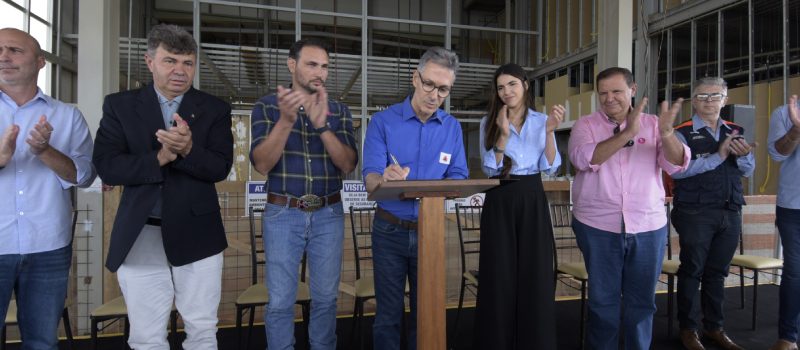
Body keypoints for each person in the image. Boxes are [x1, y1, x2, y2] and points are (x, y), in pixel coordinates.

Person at [93, 24, 233, 350]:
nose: (180, 71)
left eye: (188, 63)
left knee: (202, 328)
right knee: (145, 335)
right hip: (140, 232)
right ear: (150, 61)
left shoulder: (214, 109)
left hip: (199, 233)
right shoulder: (120, 105)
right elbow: (107, 164)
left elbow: (219, 167)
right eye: (170, 61)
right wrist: (160, 157)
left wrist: (186, 151)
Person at [567, 66, 690, 349]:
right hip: (597, 226)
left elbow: (677, 164)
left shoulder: (654, 124)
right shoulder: (585, 125)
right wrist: (627, 133)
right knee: (602, 303)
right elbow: (583, 159)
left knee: (642, 303)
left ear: (632, 90)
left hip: (648, 225)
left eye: (617, 91)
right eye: (603, 93)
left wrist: (668, 133)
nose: (609, 98)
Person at [249, 38, 357, 350]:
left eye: (324, 66)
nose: (319, 72)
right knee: (281, 301)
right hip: (283, 213)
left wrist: (323, 127)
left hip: (329, 213)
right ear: (292, 64)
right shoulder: (268, 106)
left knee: (325, 299)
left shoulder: (338, 110)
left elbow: (348, 164)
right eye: (312, 64)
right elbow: (262, 164)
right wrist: (286, 121)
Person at [362, 46, 468, 349]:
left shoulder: (452, 128)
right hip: (389, 230)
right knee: (388, 314)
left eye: (444, 89)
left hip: (431, 229)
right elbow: (369, 177)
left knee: (428, 313)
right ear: (415, 78)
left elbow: (459, 176)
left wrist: (435, 187)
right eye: (429, 84)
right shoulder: (383, 122)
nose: (434, 94)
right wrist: (383, 178)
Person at [0, 27, 96, 350]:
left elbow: (84, 176)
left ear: (40, 62)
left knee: (42, 343)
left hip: (48, 248)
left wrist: (45, 151)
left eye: (14, 50)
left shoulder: (67, 116)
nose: (4, 56)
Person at [473, 63, 563, 349]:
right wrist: (502, 134)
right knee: (498, 273)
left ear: (525, 84)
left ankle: (535, 341)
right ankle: (496, 342)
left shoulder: (541, 120)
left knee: (535, 271)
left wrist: (549, 132)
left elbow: (551, 166)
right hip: (500, 196)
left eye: (511, 84)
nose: (506, 91)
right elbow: (489, 170)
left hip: (532, 194)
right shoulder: (488, 122)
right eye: (500, 87)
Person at [671, 77, 753, 350]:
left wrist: (740, 156)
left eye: (715, 96)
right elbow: (679, 169)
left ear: (725, 99)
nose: (709, 101)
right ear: (693, 101)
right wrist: (718, 155)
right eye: (702, 96)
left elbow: (748, 169)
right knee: (692, 270)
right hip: (695, 211)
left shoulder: (736, 129)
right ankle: (688, 329)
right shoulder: (680, 132)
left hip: (730, 210)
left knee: (717, 273)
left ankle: (714, 328)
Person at [767, 94, 800, 350]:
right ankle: (788, 337)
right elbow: (778, 154)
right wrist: (796, 130)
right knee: (795, 272)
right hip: (793, 206)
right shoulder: (784, 113)